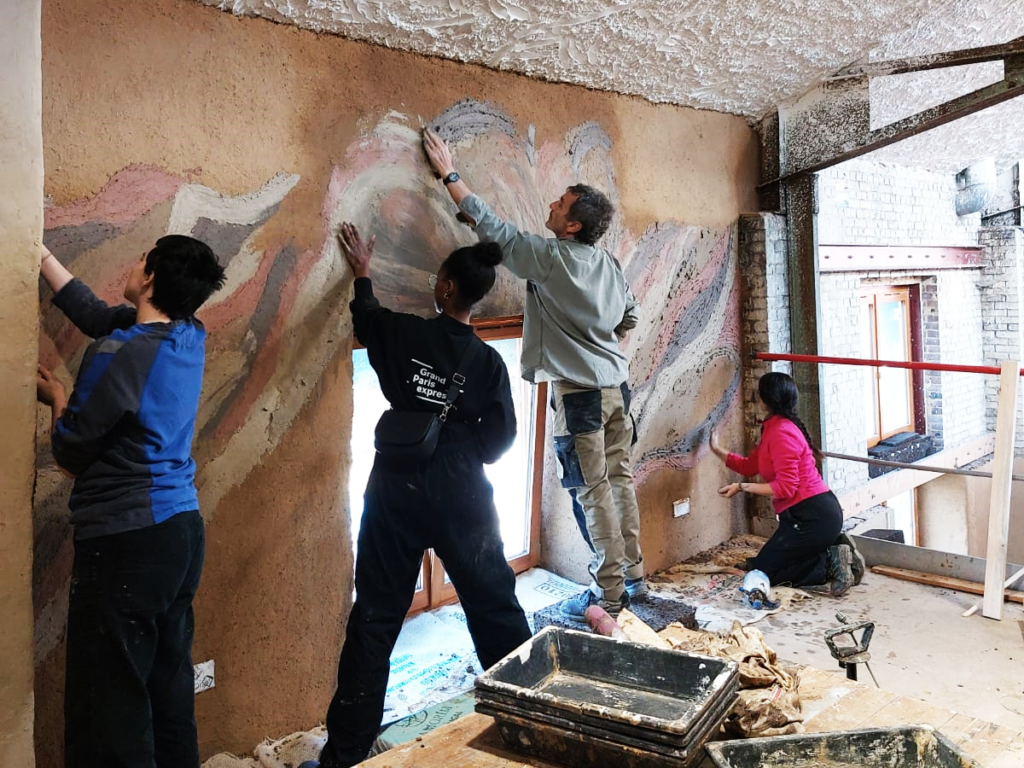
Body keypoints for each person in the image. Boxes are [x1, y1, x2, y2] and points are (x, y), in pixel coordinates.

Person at [303, 224, 532, 768]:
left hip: (396, 488)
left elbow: (367, 318)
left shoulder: (404, 335)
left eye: (440, 279)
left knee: (376, 619)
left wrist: (362, 270)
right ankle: (529, 728)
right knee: (495, 609)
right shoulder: (488, 363)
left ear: (448, 289)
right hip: (462, 494)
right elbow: (500, 441)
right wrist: (459, 448)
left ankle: (345, 756)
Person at [422, 128, 646, 622]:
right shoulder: (606, 262)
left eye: (560, 202)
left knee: (593, 492)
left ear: (570, 227)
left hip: (583, 395)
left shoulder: (550, 259)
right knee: (620, 481)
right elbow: (629, 317)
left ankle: (610, 596)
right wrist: (593, 335)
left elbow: (499, 233)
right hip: (616, 388)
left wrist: (449, 174)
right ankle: (635, 577)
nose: (552, 202)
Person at [36, 237, 226, 768]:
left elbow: (70, 455)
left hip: (127, 544)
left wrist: (57, 400)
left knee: (110, 708)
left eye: (143, 258)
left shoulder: (118, 356)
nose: (135, 262)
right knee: (168, 687)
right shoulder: (189, 333)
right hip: (180, 535)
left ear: (148, 279)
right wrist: (43, 257)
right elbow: (102, 317)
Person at [709, 371, 860, 596]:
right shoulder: (774, 427)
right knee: (758, 567)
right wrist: (716, 449)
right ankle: (827, 551)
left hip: (813, 516)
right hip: (805, 515)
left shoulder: (782, 433)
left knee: (763, 572)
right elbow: (750, 466)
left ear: (764, 399)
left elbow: (785, 487)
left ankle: (830, 561)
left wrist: (741, 487)